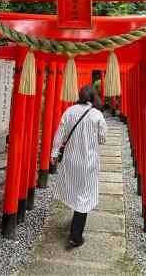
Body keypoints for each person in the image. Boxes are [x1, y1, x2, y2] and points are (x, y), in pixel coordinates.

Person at [50, 85, 108, 247]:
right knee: (84, 194)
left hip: (70, 159)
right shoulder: (97, 115)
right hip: (88, 161)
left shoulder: (69, 111)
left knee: (76, 189)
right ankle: (75, 236)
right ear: (93, 97)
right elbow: (103, 139)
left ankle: (75, 220)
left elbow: (60, 133)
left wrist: (54, 153)